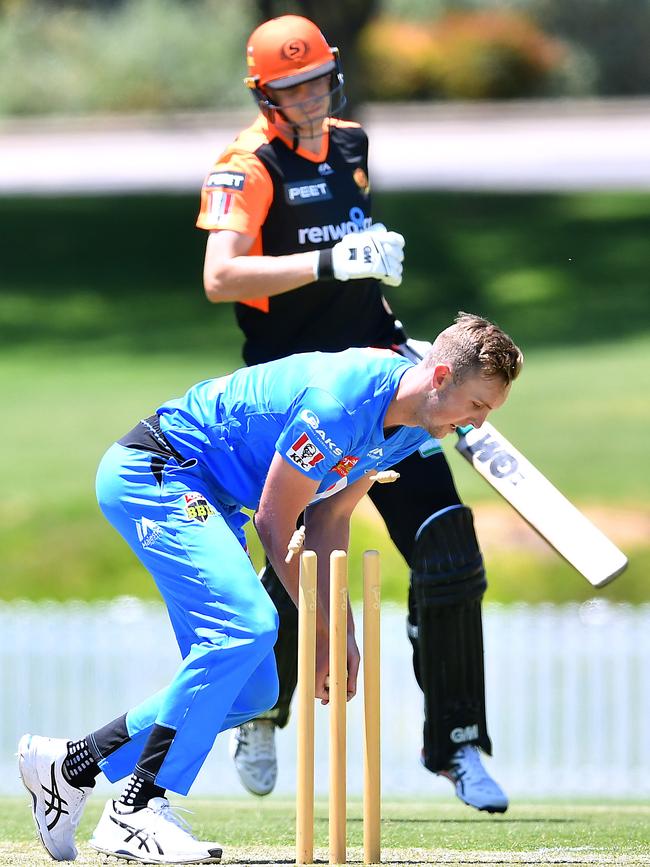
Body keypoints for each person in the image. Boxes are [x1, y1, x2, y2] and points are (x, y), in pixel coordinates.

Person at [19, 315, 522, 864]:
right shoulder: (338, 406)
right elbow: (275, 523)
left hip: (212, 499)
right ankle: (137, 809)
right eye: (477, 406)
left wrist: (344, 634)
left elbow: (329, 518)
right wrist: (322, 630)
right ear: (442, 375)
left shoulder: (413, 429)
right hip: (159, 472)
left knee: (254, 692)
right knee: (247, 627)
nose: (475, 424)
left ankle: (70, 766)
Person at [197, 14, 510, 812]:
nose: (307, 97)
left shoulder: (352, 146)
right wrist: (329, 260)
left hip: (392, 391)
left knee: (448, 550)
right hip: (297, 396)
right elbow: (222, 277)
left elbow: (356, 279)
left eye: (316, 80)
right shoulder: (245, 164)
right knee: (290, 547)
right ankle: (263, 708)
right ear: (264, 93)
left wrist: (392, 319)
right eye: (290, 86)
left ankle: (459, 743)